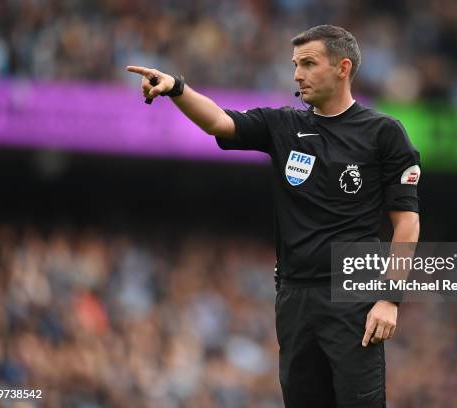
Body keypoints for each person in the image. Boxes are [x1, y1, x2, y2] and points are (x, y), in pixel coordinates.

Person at [127, 24, 420, 408]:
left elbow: (407, 222)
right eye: (295, 64)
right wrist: (177, 89)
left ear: (342, 68)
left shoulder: (383, 133)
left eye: (309, 63)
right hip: (294, 298)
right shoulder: (284, 125)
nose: (297, 74)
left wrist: (390, 299)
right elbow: (220, 121)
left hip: (353, 297)